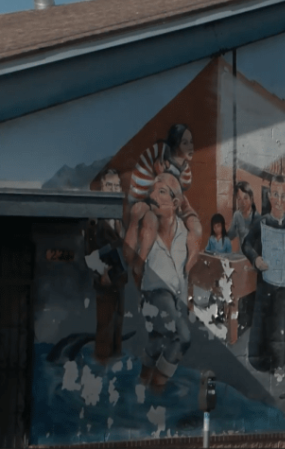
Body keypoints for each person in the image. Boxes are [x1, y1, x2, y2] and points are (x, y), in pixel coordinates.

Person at [125, 173, 192, 391]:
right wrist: (134, 221)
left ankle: (143, 383)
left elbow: (183, 271)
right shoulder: (147, 227)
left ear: (175, 203)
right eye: (152, 190)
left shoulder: (184, 233)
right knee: (182, 336)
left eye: (161, 191)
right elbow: (129, 258)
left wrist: (184, 301)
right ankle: (157, 388)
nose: (153, 195)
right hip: (154, 293)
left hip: (173, 297)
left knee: (157, 341)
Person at [242, 176, 285, 372]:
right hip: (266, 283)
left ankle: (283, 359)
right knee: (265, 321)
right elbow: (246, 244)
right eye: (275, 195)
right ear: (269, 196)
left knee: (283, 320)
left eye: (283, 195)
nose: (279, 200)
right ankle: (265, 361)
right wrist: (256, 259)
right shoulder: (261, 222)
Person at [125, 124, 202, 285]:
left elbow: (180, 189)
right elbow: (152, 188)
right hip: (146, 196)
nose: (191, 147)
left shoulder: (185, 169)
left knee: (196, 226)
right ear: (176, 145)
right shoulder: (158, 155)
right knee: (151, 222)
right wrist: (160, 177)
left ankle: (187, 269)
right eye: (185, 143)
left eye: (191, 142)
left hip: (170, 197)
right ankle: (140, 263)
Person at [85, 169, 127, 364]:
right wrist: (102, 273)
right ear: (102, 187)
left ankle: (115, 360)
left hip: (119, 280)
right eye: (109, 185)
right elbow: (88, 253)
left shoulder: (120, 218)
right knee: (105, 324)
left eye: (116, 186)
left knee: (118, 322)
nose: (113, 189)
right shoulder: (95, 220)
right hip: (104, 281)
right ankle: (101, 363)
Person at [228, 181, 259, 248]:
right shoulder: (237, 215)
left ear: (251, 198)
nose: (243, 202)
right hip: (241, 254)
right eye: (239, 199)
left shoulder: (257, 218)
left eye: (245, 198)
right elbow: (230, 235)